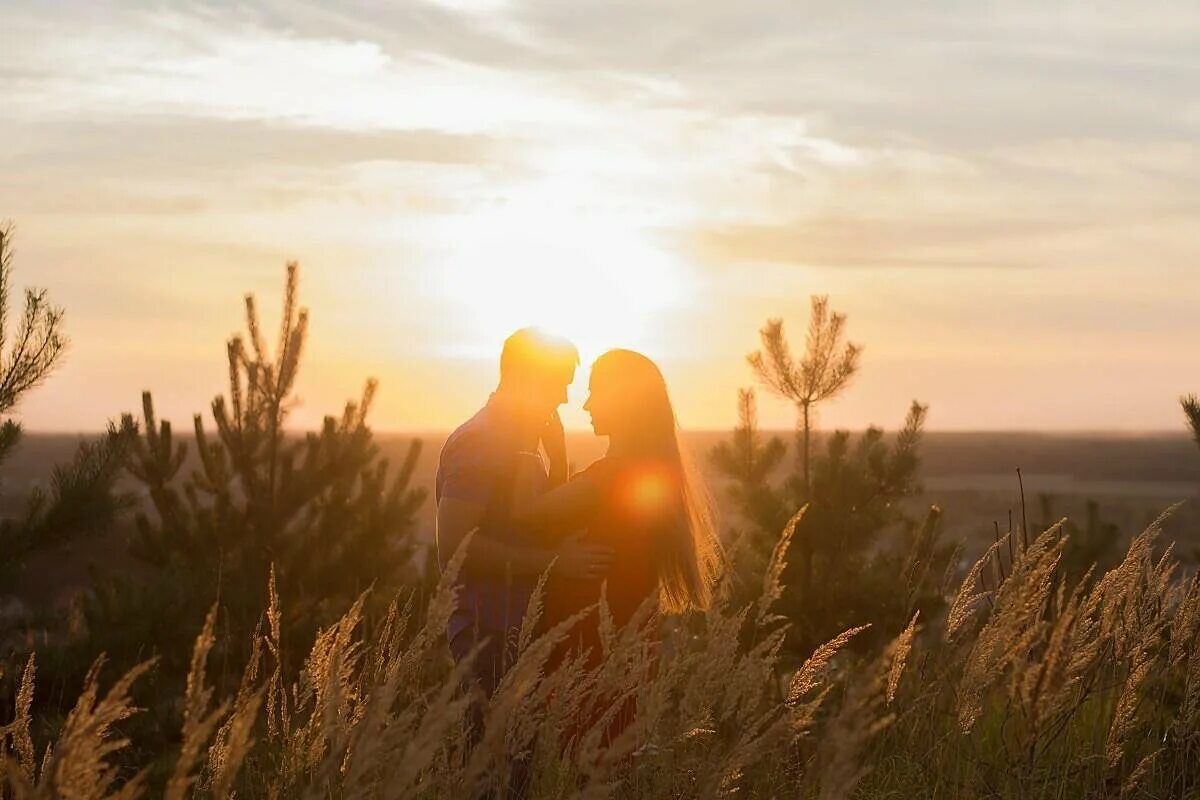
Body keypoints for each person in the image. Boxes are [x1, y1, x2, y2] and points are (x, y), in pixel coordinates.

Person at [513, 348, 723, 746]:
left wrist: (525, 443)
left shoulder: (611, 475)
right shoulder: (645, 469)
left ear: (623, 403)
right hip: (624, 645)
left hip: (592, 650)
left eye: (595, 392)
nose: (587, 404)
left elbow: (526, 512)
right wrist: (557, 459)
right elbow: (562, 517)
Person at [435, 328, 615, 699]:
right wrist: (555, 563)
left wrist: (559, 458)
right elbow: (454, 548)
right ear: (527, 380)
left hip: (521, 628)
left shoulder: (524, 439)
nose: (565, 398)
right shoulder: (481, 440)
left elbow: (536, 522)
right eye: (558, 384)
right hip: (489, 633)